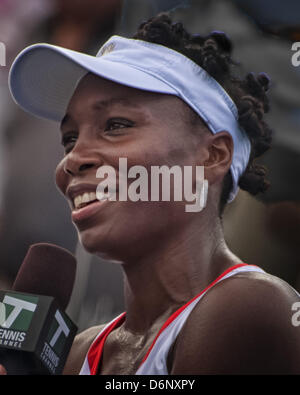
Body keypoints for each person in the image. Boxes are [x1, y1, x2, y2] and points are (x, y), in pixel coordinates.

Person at [6, 14, 300, 375]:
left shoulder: (247, 307)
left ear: (213, 155)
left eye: (115, 125)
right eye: (69, 138)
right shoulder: (80, 352)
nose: (72, 160)